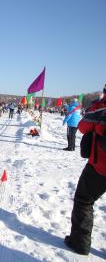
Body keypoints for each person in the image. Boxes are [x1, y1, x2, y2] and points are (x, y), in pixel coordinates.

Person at [65, 85, 106, 255]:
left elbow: (84, 126)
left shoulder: (101, 108)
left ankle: (80, 243)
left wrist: (97, 105)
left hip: (100, 166)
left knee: (84, 200)